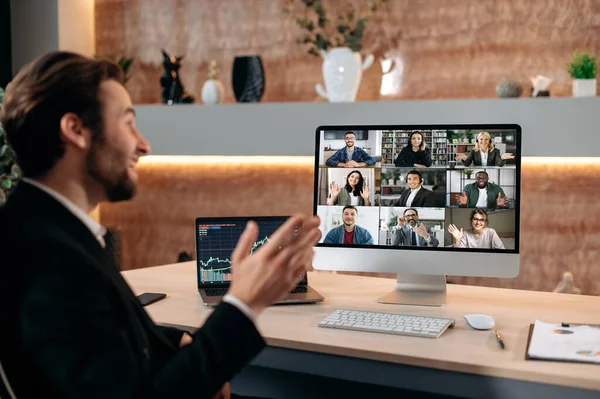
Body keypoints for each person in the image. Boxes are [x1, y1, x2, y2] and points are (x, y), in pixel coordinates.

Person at [0, 51, 322, 398]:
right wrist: (244, 304)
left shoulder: (42, 228)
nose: (143, 144)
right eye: (127, 122)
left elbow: (97, 344)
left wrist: (169, 342)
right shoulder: (51, 258)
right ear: (75, 130)